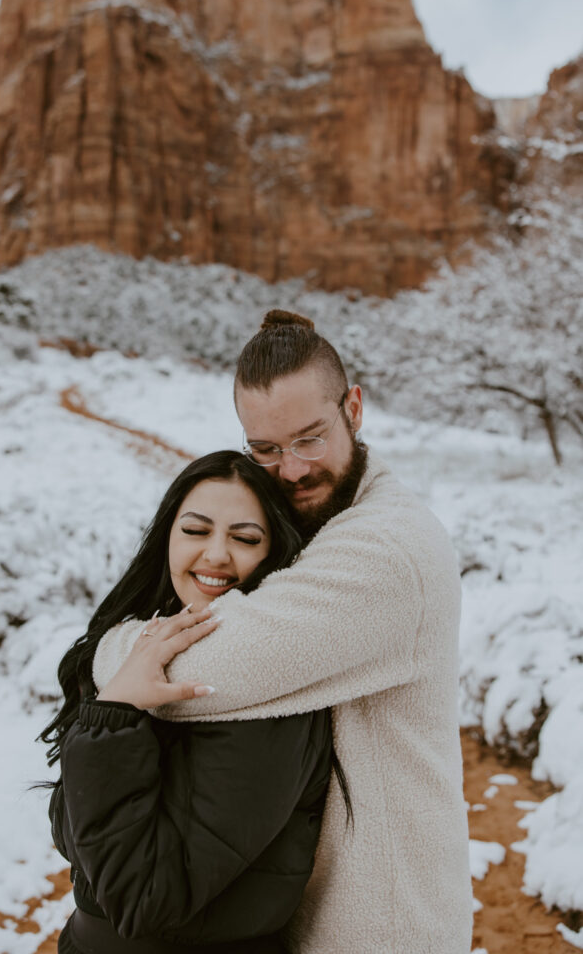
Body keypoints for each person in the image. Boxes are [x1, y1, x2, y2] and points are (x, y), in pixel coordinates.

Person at [95, 310, 474, 954]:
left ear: (353, 408)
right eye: (264, 450)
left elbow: (209, 669)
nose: (291, 469)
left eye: (309, 438)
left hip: (379, 924)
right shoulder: (324, 521)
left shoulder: (386, 551)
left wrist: (111, 651)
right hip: (318, 913)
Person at [41, 450, 333, 954]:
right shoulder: (137, 655)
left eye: (245, 538)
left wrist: (114, 717)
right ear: (166, 539)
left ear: (275, 554)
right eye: (195, 531)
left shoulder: (267, 692)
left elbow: (143, 900)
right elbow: (79, 834)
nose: (217, 555)